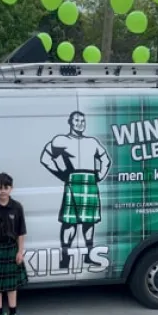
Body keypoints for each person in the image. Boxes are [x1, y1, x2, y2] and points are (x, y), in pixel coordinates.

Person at [40, 110, 111, 267]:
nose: (80, 124)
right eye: (77, 120)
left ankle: (88, 255)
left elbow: (105, 159)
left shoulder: (92, 142)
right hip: (73, 180)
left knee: (89, 222)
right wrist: (61, 174)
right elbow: (45, 157)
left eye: (83, 121)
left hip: (90, 181)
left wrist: (100, 175)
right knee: (69, 222)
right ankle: (65, 257)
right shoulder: (61, 140)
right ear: (70, 122)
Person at [0, 172, 28, 315]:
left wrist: (20, 251)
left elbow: (21, 232)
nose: (3, 191)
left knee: (12, 286)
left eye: (6, 188)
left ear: (11, 188)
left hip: (12, 249)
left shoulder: (17, 207)